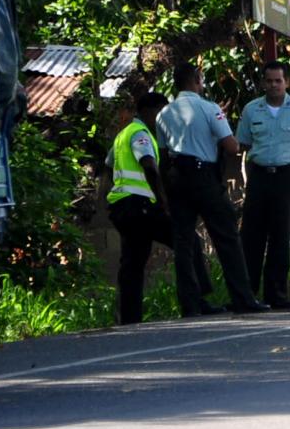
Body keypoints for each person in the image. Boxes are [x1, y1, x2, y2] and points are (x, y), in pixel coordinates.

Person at [158, 61, 266, 315]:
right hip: (203, 176)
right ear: (197, 80)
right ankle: (243, 298)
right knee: (227, 236)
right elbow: (232, 147)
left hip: (176, 178)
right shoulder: (208, 108)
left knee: (183, 242)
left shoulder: (164, 113)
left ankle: (191, 303)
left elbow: (163, 156)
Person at [235, 60, 290, 309]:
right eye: (269, 81)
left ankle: (277, 294)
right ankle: (247, 294)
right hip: (259, 176)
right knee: (251, 236)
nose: (274, 85)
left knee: (280, 236)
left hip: (286, 176)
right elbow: (242, 144)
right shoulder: (251, 110)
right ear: (262, 82)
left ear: (286, 82)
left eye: (279, 80)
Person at [104, 90, 172, 325]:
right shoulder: (141, 134)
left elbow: (108, 165)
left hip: (124, 206)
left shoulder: (123, 134)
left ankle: (130, 318)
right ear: (149, 111)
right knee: (185, 241)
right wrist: (163, 201)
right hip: (141, 205)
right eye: (162, 113)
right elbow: (149, 167)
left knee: (132, 262)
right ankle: (196, 300)